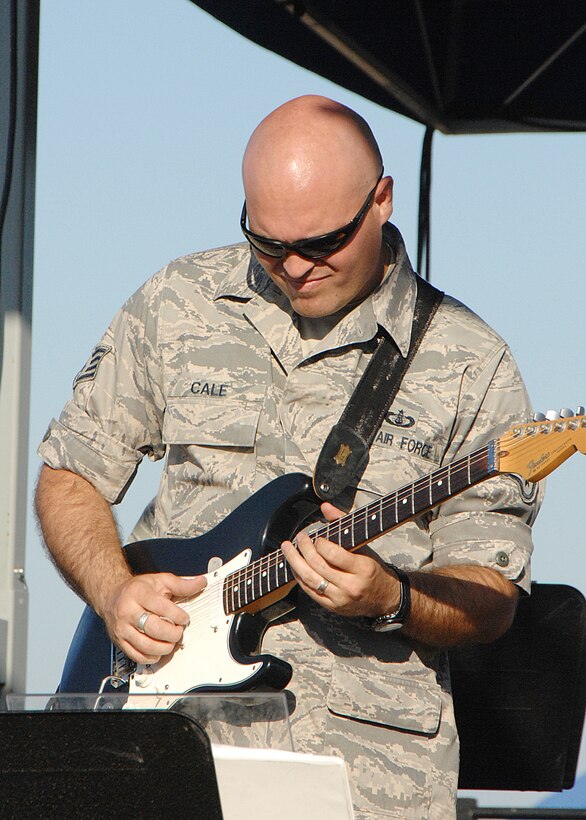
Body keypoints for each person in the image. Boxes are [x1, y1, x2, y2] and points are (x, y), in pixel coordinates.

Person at [35, 95, 540, 819]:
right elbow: (70, 473)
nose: (294, 267)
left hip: (362, 776)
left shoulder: (471, 363)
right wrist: (115, 591)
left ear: (381, 201)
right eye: (268, 244)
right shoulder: (179, 302)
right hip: (164, 747)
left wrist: (393, 599)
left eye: (322, 243)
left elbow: (491, 596)